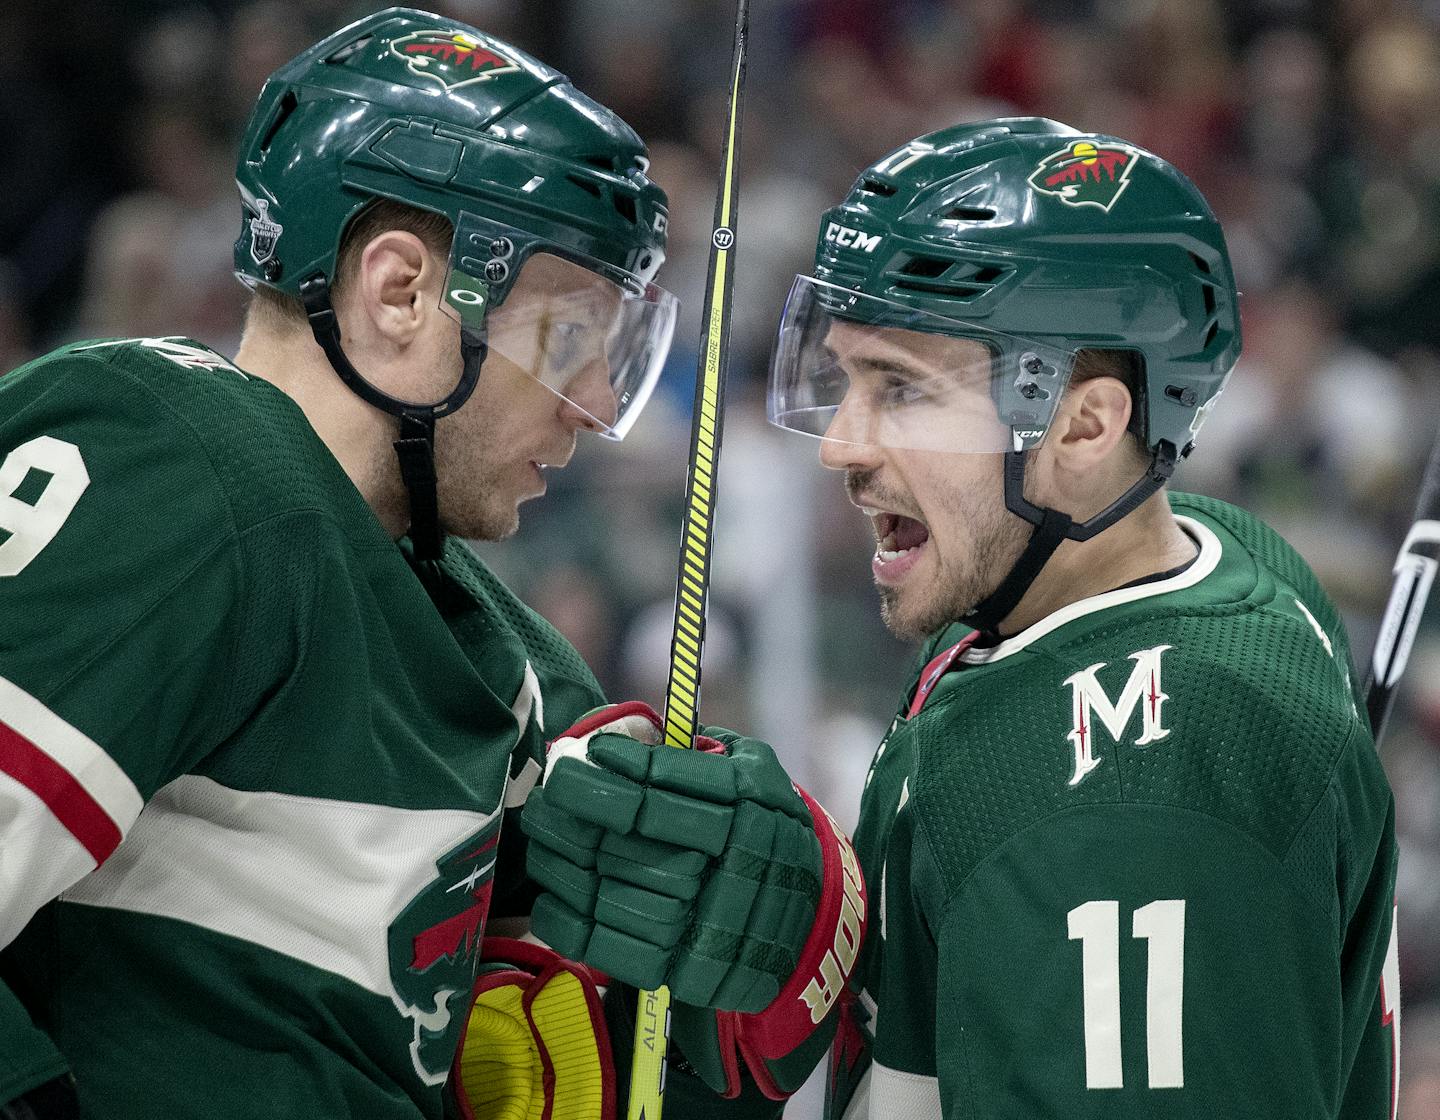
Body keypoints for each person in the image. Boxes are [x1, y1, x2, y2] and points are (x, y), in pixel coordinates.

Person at [523, 118, 1400, 1118]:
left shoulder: (1131, 813)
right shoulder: (1166, 564)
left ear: (1085, 422)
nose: (840, 447)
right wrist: (834, 924)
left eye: (901, 388)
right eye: (844, 379)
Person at [0, 9, 690, 1118]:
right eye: (570, 339)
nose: (600, 405)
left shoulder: (482, 634)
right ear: (401, 291)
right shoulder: (182, 472)